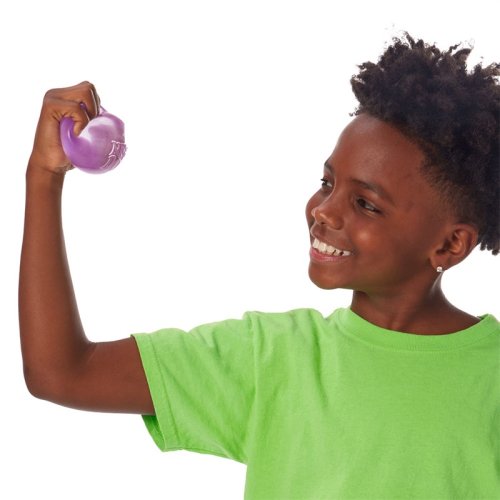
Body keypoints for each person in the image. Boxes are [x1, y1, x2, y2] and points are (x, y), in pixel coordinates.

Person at [19, 33, 499, 499]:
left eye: (366, 204)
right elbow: (63, 372)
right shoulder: (272, 358)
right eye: (327, 183)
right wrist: (43, 176)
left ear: (450, 245)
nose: (324, 211)